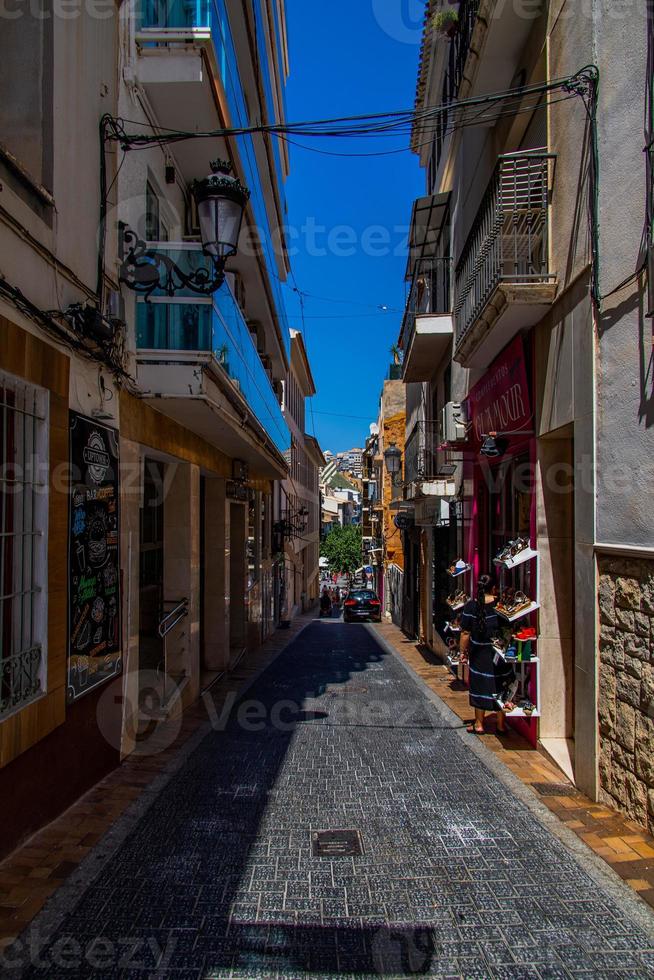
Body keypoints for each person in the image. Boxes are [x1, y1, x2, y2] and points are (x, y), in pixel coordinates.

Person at [459, 573, 513, 735]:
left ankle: (479, 724)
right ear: (494, 588)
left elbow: (465, 633)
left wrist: (463, 652)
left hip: (478, 653)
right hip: (498, 653)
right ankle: (501, 724)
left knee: (479, 684)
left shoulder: (471, 607)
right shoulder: (500, 606)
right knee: (500, 685)